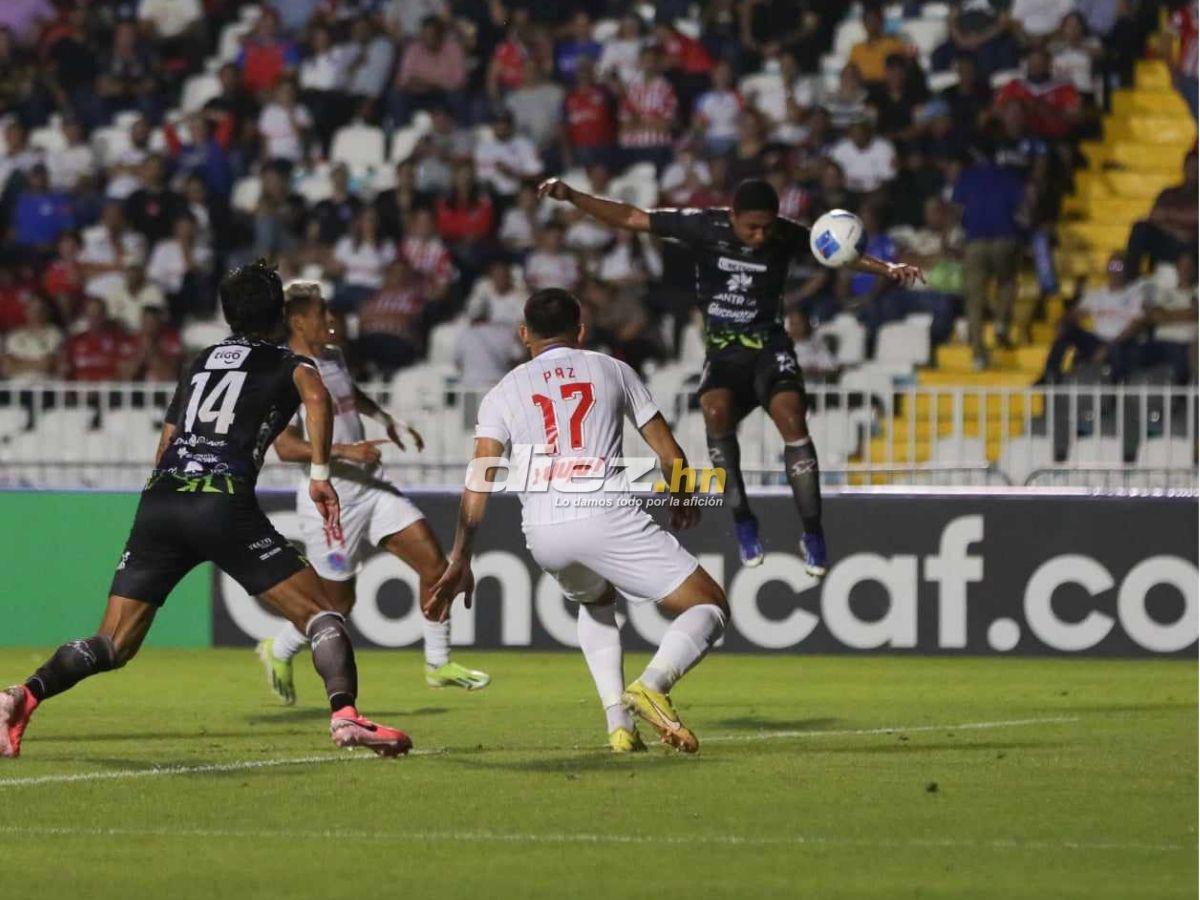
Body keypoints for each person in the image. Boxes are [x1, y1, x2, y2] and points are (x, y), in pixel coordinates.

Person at [0, 261, 411, 759]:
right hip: (222, 501)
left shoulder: (200, 362)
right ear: (279, 313)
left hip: (162, 500)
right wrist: (322, 476)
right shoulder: (292, 364)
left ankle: (21, 695)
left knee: (112, 644)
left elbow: (167, 442)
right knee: (322, 614)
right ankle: (346, 717)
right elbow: (318, 399)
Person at [537, 176, 922, 573]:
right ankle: (742, 520)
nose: (759, 235)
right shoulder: (704, 226)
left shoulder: (786, 235)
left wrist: (887, 268)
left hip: (770, 347)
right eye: (751, 227)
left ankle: (812, 531)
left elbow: (837, 252)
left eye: (767, 227)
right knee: (714, 412)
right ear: (732, 217)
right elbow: (633, 217)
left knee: (792, 418)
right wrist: (575, 197)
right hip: (724, 352)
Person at [431, 288, 730, 753]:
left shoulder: (502, 392)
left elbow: (479, 479)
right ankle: (652, 686)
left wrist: (460, 557)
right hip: (603, 510)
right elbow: (669, 452)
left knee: (596, 602)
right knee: (708, 606)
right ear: (581, 330)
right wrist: (683, 495)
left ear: (524, 333)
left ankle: (619, 725)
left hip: (544, 530)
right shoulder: (612, 369)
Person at [257, 282, 490, 704]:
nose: (330, 319)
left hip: (369, 488)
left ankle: (438, 664)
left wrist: (387, 420)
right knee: (335, 606)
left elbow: (350, 397)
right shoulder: (287, 371)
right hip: (330, 502)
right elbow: (286, 446)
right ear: (296, 321)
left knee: (436, 565)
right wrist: (346, 451)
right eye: (320, 313)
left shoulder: (334, 358)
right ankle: (279, 647)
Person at [1035, 255, 1145, 384]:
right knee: (1067, 332)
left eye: (1119, 266)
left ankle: (1118, 393)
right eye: (1112, 266)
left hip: (1122, 342)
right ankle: (1050, 377)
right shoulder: (1096, 295)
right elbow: (1075, 313)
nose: (1115, 271)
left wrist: (1110, 346)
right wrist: (1063, 322)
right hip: (1097, 340)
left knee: (1119, 350)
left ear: (1126, 269)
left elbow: (1137, 325)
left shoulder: (1134, 295)